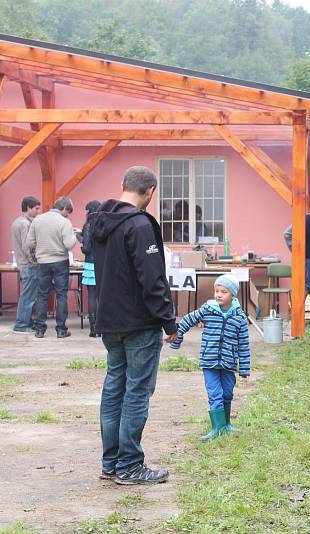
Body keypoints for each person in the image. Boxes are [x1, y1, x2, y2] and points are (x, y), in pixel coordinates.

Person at [92, 166, 177, 485]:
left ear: (124, 185)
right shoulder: (140, 225)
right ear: (150, 192)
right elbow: (152, 279)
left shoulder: (100, 220)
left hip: (109, 320)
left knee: (115, 387)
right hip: (139, 321)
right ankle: (129, 464)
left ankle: (111, 462)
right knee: (137, 390)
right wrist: (168, 319)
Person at [170, 274, 250, 441]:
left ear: (233, 295)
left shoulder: (240, 317)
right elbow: (188, 320)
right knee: (215, 393)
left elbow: (243, 344)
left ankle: (226, 425)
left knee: (227, 393)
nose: (218, 295)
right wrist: (178, 336)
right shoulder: (208, 310)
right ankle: (217, 428)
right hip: (209, 361)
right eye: (216, 291)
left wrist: (244, 368)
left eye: (224, 292)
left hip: (228, 362)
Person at [26, 196, 78, 339]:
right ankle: (61, 330)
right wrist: (74, 235)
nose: (67, 215)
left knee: (42, 295)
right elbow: (69, 244)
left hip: (42, 261)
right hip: (60, 261)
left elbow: (30, 243)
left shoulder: (38, 220)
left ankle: (40, 330)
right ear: (64, 208)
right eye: (68, 212)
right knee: (61, 295)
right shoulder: (64, 222)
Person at [10, 196, 41, 334]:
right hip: (28, 265)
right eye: (36, 208)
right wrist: (34, 261)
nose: (38, 211)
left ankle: (25, 322)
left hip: (23, 264)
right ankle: (22, 324)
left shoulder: (17, 222)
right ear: (28, 208)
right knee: (28, 296)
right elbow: (27, 246)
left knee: (27, 295)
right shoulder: (26, 224)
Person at [80, 200, 102, 337]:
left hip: (90, 263)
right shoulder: (104, 224)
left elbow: (87, 248)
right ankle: (103, 325)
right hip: (103, 263)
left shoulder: (88, 226)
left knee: (92, 295)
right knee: (102, 296)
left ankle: (93, 328)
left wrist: (81, 243)